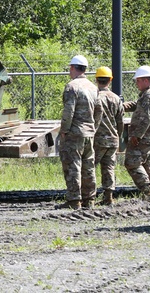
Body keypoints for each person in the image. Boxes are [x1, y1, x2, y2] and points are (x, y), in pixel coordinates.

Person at [58, 55, 102, 210]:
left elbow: (68, 111)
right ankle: (89, 200)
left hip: (74, 134)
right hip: (89, 133)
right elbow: (99, 111)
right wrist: (93, 127)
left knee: (73, 166)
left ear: (72, 68)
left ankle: (74, 200)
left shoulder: (72, 87)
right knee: (88, 167)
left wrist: (64, 130)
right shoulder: (92, 87)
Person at [124, 65, 150, 202]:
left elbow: (146, 118)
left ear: (146, 80)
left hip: (144, 136)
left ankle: (148, 190)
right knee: (147, 163)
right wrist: (122, 106)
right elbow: (138, 105)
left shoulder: (149, 95)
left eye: (138, 80)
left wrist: (137, 135)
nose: (136, 83)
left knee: (131, 162)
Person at [93, 66, 124, 206]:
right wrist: (118, 135)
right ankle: (108, 197)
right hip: (113, 139)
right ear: (110, 80)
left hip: (97, 139)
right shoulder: (116, 98)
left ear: (96, 79)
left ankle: (89, 197)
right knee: (109, 167)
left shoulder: (94, 96)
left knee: (90, 167)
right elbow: (120, 121)